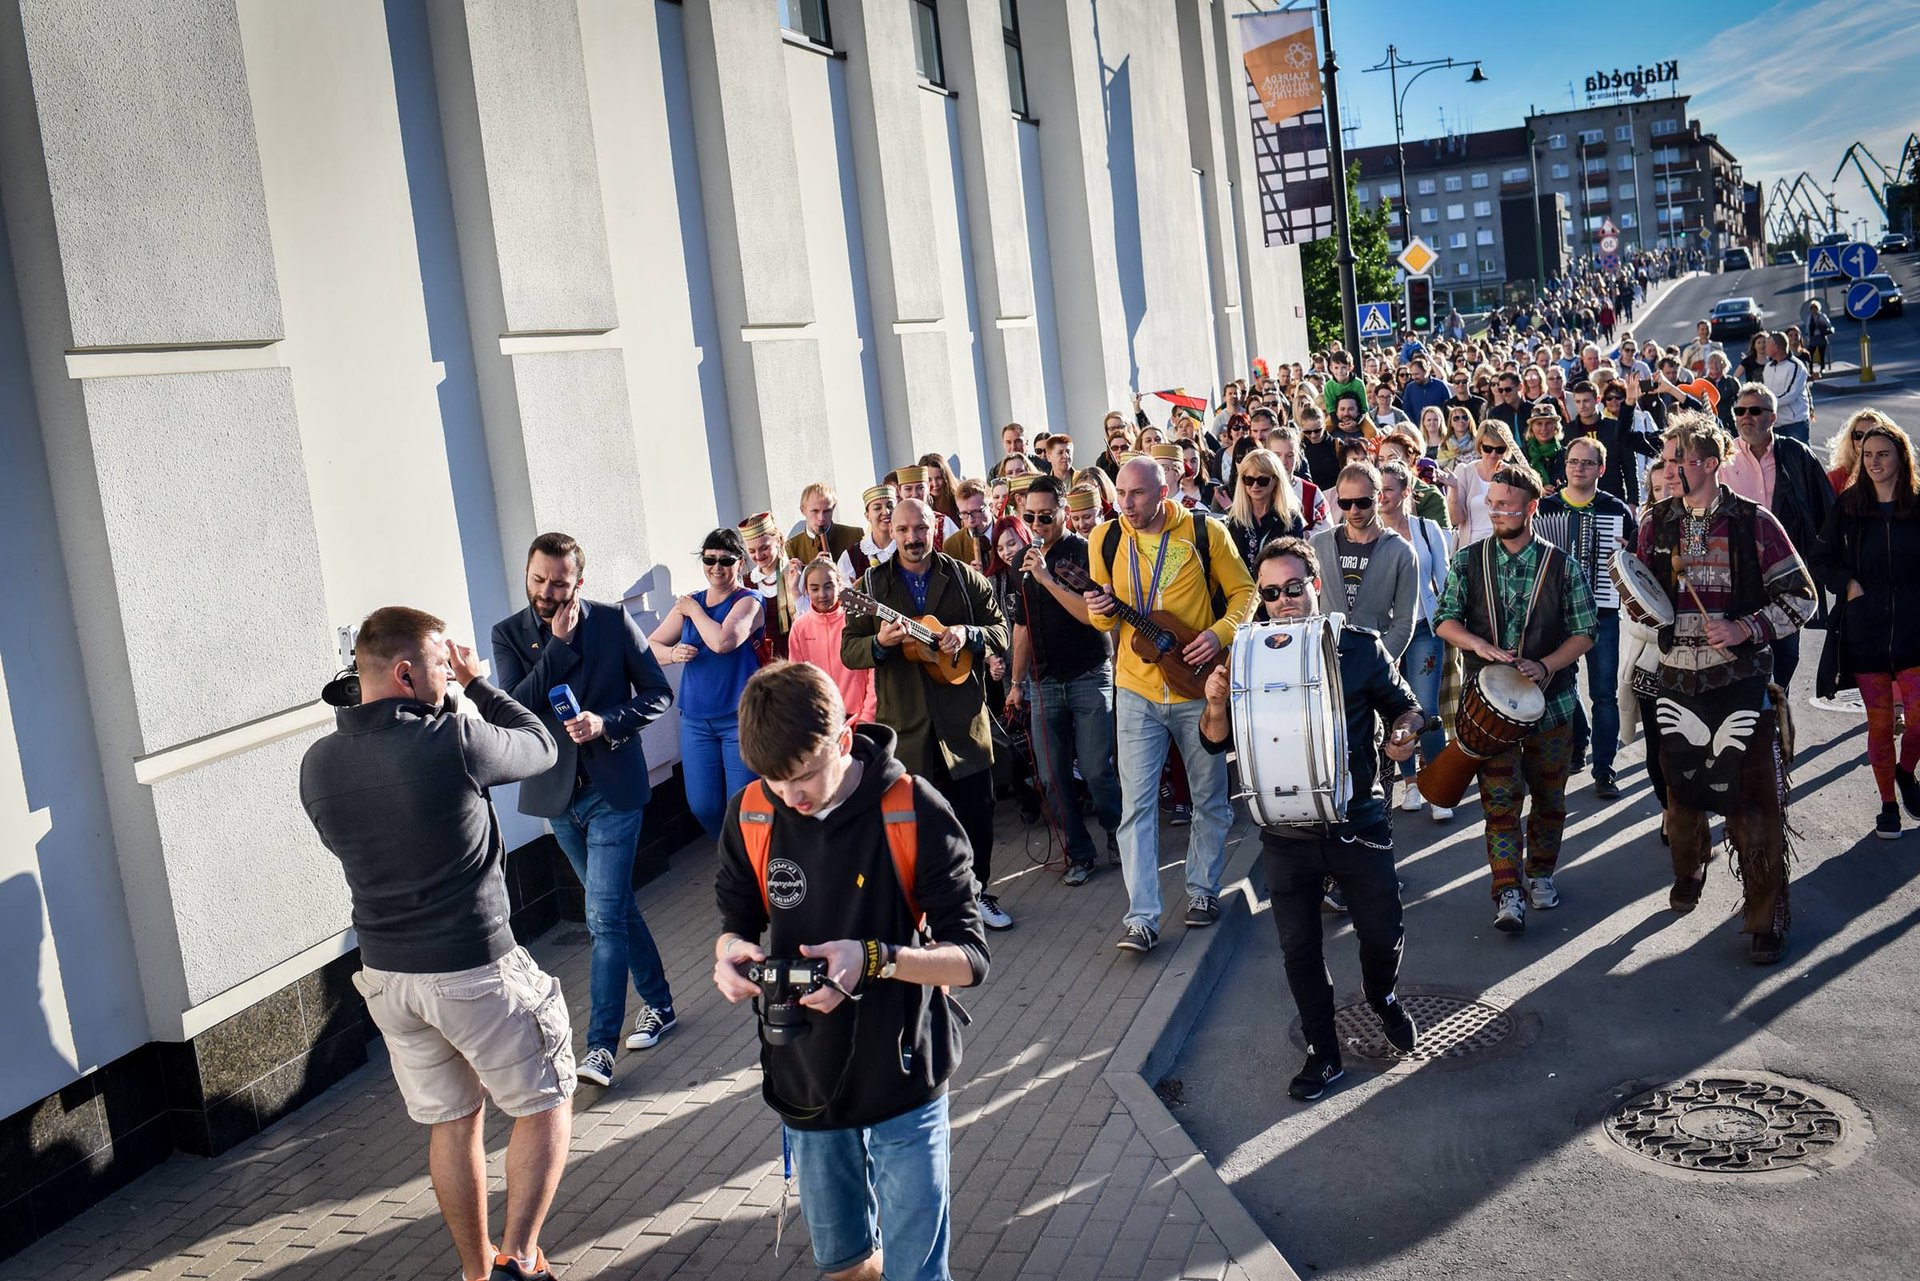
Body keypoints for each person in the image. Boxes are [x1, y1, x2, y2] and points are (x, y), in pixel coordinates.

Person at [304, 607, 570, 1281]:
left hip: (388, 977)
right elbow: (541, 745)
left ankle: (477, 1273)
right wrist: (479, 684)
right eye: (439, 666)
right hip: (475, 966)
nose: (447, 674)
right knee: (546, 1099)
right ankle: (521, 1262)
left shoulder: (318, 763)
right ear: (404, 671)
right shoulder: (454, 738)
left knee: (453, 1122)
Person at [712, 662, 988, 1281]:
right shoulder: (752, 812)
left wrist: (872, 960)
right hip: (805, 1081)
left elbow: (970, 961)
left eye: (803, 776)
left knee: (916, 1274)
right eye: (773, 781)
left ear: (842, 739)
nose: (791, 797)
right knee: (844, 1265)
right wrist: (727, 954)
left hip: (903, 1078)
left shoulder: (912, 807)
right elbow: (734, 921)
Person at [1198, 539, 1425, 1101]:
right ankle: (1323, 1052)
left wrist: (1404, 733)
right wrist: (1216, 703)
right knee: (1299, 949)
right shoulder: (1245, 656)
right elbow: (1211, 740)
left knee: (1381, 935)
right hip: (1284, 832)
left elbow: (1408, 705)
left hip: (1357, 820)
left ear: (1315, 586)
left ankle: (1383, 997)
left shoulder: (1358, 647)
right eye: (1270, 593)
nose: (1283, 602)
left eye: (1293, 588)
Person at [493, 533, 675, 1088]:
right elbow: (514, 707)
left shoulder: (613, 622)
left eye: (560, 583)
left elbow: (658, 693)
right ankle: (662, 1004)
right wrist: (557, 644)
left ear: (580, 583)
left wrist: (606, 722)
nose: (547, 592)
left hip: (612, 789)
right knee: (614, 907)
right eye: (538, 580)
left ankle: (599, 1046)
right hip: (556, 797)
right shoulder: (510, 634)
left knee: (600, 917)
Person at [1637, 415, 1815, 963]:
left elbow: (1802, 597)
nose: (1665, 470)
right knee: (1682, 804)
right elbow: (1640, 595)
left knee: (1756, 811)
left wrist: (1745, 628)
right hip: (1676, 687)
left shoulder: (1754, 523)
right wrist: (1639, 601)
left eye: (1675, 460)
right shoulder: (1655, 523)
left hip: (1741, 687)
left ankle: (1766, 918)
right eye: (1665, 461)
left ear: (1708, 464)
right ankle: (1690, 870)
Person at [1083, 458, 1256, 953]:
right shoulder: (1105, 540)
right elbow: (1105, 623)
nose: (1127, 504)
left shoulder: (1204, 531)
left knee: (1209, 797)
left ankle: (1202, 891)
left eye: (1137, 494)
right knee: (1136, 806)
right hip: (1136, 687)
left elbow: (1244, 592)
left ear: (1165, 492)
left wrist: (1219, 633)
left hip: (1198, 686)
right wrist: (1098, 615)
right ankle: (1141, 919)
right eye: (1120, 493)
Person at [1435, 465, 1597, 934]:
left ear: (1531, 508)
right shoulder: (1468, 560)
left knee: (1549, 799)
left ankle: (1541, 874)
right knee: (1500, 802)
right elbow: (1444, 618)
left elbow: (1586, 631)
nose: (1497, 512)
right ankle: (1508, 891)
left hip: (1554, 706)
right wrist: (1476, 645)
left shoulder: (1562, 565)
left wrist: (1546, 665)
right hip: (1489, 711)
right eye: (1492, 503)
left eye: (1507, 505)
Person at [843, 498, 1014, 931]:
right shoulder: (872, 586)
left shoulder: (960, 575)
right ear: (890, 532)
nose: (912, 538)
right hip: (908, 724)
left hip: (962, 720)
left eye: (919, 529)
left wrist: (967, 633)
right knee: (916, 822)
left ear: (933, 528)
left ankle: (978, 895)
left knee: (975, 813)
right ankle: (931, 909)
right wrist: (880, 643)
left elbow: (1000, 631)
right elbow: (850, 649)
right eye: (902, 530)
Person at [1007, 476, 1124, 883]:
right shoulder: (1020, 563)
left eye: (1044, 516)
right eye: (1028, 516)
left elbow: (1093, 617)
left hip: (1088, 674)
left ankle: (1117, 832)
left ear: (1064, 512)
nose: (1036, 524)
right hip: (1042, 683)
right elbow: (1020, 626)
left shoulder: (1085, 552)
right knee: (1050, 777)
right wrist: (1016, 682)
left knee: (1096, 771)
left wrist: (1047, 579)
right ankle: (1079, 853)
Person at [1811, 419, 1920, 838]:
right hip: (1866, 632)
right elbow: (1819, 559)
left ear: (1900, 459)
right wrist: (1848, 585)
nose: (1874, 462)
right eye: (1868, 455)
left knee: (1918, 719)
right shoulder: (1850, 505)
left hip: (1914, 632)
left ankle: (1906, 772)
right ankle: (1888, 805)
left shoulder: (1916, 504)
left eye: (1883, 455)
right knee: (1879, 725)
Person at [1719, 382, 1836, 691]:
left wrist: (1829, 565)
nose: (1746, 417)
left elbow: (1826, 511)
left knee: (1787, 654)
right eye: (1740, 411)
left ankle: (1776, 703)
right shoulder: (1723, 458)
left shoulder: (1796, 455)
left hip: (1783, 573)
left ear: (1772, 417)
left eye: (1754, 411)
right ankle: (1758, 716)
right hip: (1736, 575)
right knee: (1743, 653)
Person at [649, 527, 763, 838]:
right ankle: (731, 855)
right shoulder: (690, 604)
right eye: (709, 559)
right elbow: (649, 648)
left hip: (739, 719)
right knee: (703, 806)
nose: (716, 568)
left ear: (740, 562)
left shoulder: (749, 601)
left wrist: (694, 610)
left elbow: (723, 641)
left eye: (725, 561)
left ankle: (748, 867)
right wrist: (673, 653)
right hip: (696, 721)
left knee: (743, 806)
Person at [1539, 437, 1636, 796]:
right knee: (1561, 682)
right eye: (1573, 461)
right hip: (1556, 614)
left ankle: (1604, 770)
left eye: (1587, 463)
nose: (1579, 468)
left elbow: (1632, 566)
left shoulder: (1615, 511)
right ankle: (1579, 740)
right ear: (1565, 466)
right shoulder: (1545, 509)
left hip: (1602, 611)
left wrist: (1626, 554)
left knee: (1604, 693)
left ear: (1601, 469)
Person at [1377, 460, 1454, 820]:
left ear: (1406, 492)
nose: (1381, 496)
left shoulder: (1427, 529)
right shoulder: (1370, 533)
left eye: (1388, 489)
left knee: (1426, 710)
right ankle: (1410, 784)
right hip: (1386, 635)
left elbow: (1446, 579)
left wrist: (1447, 621)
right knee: (1397, 710)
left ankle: (1438, 788)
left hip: (1424, 629)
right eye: (1378, 489)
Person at [1309, 462, 1417, 660]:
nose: (1354, 510)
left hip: (1376, 662)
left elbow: (1404, 622)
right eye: (1345, 504)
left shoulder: (1401, 552)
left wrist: (1379, 661)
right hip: (1325, 659)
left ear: (1380, 497)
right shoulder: (1318, 544)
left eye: (1363, 502)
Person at [787, 558, 877, 725]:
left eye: (828, 586)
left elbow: (873, 671)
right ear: (806, 590)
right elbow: (797, 681)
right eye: (814, 588)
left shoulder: (855, 620)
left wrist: (867, 716)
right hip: (820, 723)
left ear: (839, 585)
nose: (822, 594)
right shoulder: (800, 627)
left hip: (860, 719)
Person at [1447, 422, 1523, 549]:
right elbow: (1455, 520)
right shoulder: (1465, 471)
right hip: (1471, 548)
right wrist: (1453, 489)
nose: (1493, 454)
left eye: (1499, 449)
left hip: (1503, 548)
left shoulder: (1513, 475)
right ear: (1479, 446)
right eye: (1488, 448)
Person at [1226, 446, 1304, 569]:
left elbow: (1296, 565)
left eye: (1263, 480)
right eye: (1249, 480)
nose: (1255, 486)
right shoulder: (1233, 519)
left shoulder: (1291, 519)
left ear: (1276, 480)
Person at [740, 511, 800, 661]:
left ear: (778, 541)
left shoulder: (795, 572)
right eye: (752, 551)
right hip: (761, 660)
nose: (758, 555)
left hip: (796, 653)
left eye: (764, 548)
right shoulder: (745, 583)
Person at [788, 482, 866, 569]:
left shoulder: (855, 536)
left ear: (833, 508)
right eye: (815, 511)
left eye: (827, 511)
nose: (821, 518)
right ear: (803, 510)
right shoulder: (791, 547)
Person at [1761, 332, 1812, 444]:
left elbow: (1790, 395)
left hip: (1794, 423)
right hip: (1775, 423)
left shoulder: (1796, 366)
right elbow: (1766, 391)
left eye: (1768, 345)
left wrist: (1766, 404)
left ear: (1776, 347)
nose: (1765, 348)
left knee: (1800, 459)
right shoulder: (1768, 367)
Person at [839, 484, 898, 581]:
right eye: (877, 508)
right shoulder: (852, 556)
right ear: (867, 516)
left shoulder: (907, 546)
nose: (886, 512)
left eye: (890, 506)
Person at [895, 465, 960, 544]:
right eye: (908, 489)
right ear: (899, 491)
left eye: (920, 488)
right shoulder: (893, 523)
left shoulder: (943, 523)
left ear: (929, 488)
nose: (915, 494)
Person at [1806, 300, 1833, 377]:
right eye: (1812, 308)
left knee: (1822, 354)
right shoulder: (1809, 317)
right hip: (1813, 337)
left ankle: (1822, 368)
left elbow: (1829, 324)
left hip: (1821, 337)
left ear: (1818, 308)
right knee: (1810, 354)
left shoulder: (1822, 316)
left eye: (1815, 308)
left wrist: (1821, 325)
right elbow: (1807, 328)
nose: (1813, 309)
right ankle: (1810, 369)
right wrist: (1807, 337)